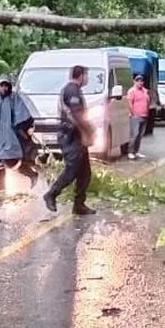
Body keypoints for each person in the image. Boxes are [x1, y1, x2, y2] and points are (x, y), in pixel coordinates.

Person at [42, 65, 96, 216]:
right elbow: (77, 116)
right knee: (72, 169)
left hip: (76, 135)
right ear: (80, 75)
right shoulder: (72, 90)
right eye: (86, 76)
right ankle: (51, 194)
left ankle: (79, 205)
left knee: (85, 172)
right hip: (70, 135)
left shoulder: (75, 90)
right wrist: (89, 131)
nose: (87, 79)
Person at [0, 75, 39, 189]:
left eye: (5, 85)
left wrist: (26, 127)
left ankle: (31, 174)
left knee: (10, 159)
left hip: (11, 134)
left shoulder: (14, 98)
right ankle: (0, 184)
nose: (4, 88)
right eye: (1, 85)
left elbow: (23, 115)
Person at [126, 73, 151, 160]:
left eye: (141, 81)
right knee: (134, 134)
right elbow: (129, 103)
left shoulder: (145, 91)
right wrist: (133, 113)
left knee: (140, 135)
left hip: (144, 115)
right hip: (135, 116)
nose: (140, 83)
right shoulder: (132, 91)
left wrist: (147, 111)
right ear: (134, 82)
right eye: (138, 81)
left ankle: (136, 151)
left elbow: (148, 101)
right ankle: (130, 151)